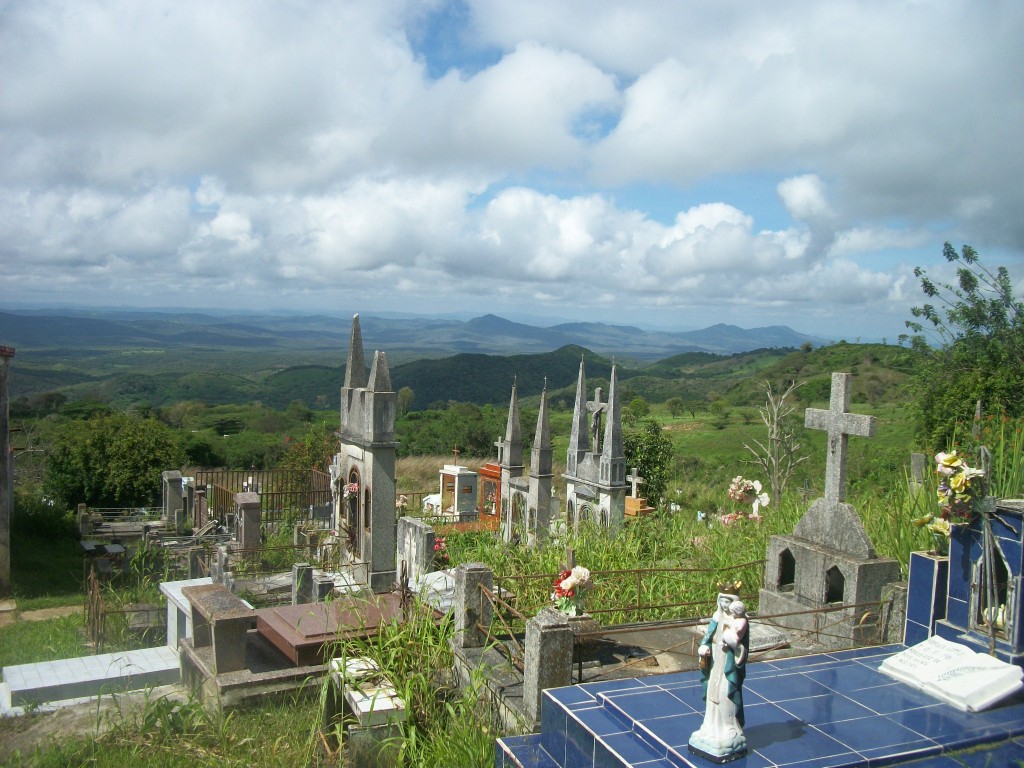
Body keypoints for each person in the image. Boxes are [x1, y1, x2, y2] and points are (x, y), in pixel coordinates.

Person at [689, 594, 749, 760]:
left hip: (727, 664)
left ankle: (728, 728)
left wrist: (732, 642)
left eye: (728, 601)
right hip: (715, 661)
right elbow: (708, 637)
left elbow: (741, 647)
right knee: (711, 694)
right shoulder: (717, 617)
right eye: (722, 601)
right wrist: (704, 648)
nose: (724, 604)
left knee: (725, 694)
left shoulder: (740, 621)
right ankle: (709, 727)